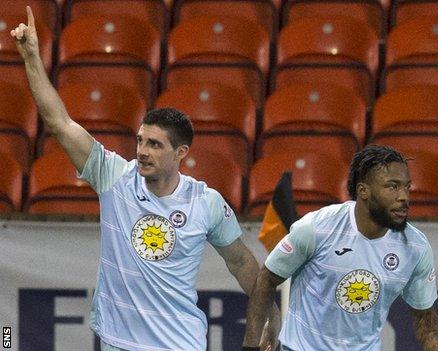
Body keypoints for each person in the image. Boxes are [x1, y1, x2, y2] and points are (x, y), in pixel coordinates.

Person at [11, 7, 278, 351]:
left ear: (181, 153)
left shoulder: (205, 202)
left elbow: (242, 262)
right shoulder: (114, 177)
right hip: (117, 343)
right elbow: (59, 123)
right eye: (140, 140)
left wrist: (270, 312)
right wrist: (32, 58)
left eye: (154, 144)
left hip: (179, 344)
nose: (142, 151)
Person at [242, 144, 438, 351]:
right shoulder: (317, 228)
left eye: (406, 187)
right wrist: (250, 347)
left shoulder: (415, 247)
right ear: (363, 190)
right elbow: (267, 279)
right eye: (393, 186)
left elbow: (426, 321)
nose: (404, 197)